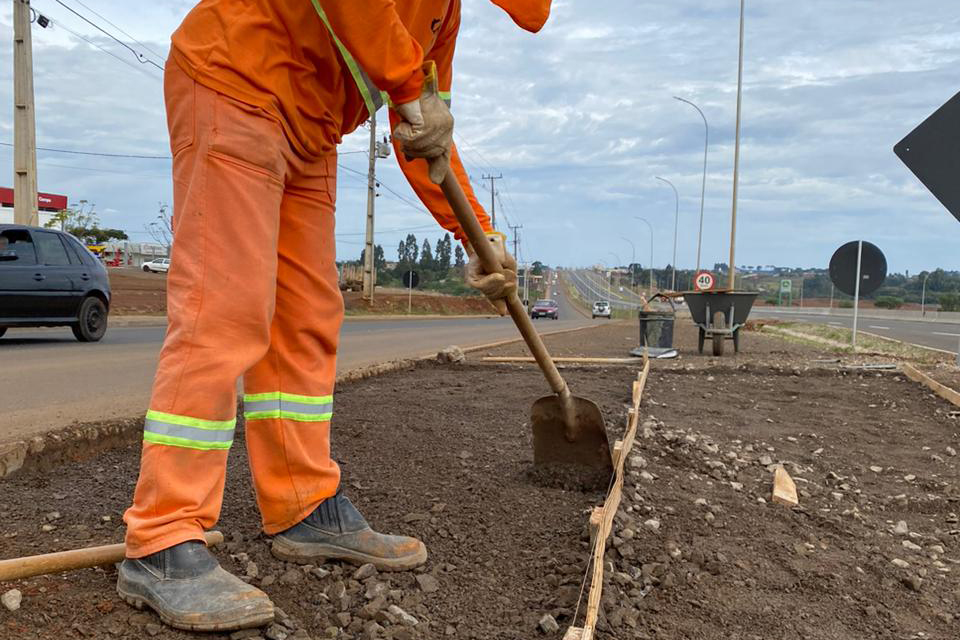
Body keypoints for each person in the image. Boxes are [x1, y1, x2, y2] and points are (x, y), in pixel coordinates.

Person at [118, 0, 551, 632]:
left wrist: (478, 235)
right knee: (227, 309)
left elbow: (421, 132)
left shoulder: (443, 18)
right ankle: (161, 538)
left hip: (311, 129)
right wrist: (409, 83)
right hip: (236, 77)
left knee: (308, 318)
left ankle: (303, 504)